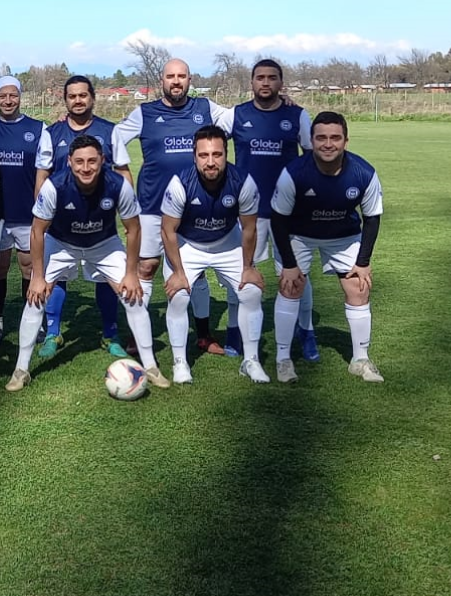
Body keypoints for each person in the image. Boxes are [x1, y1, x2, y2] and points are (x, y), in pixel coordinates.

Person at [10, 136, 164, 392]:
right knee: (35, 297)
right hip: (61, 244)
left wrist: (130, 273)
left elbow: (133, 229)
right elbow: (37, 232)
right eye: (79, 161)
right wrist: (37, 276)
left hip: (104, 244)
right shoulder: (54, 186)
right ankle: (21, 369)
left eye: (92, 161)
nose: (86, 167)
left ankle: (150, 366)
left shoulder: (118, 185)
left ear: (103, 161)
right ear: (69, 162)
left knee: (133, 296)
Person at [112, 59, 233, 354]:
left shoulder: (206, 109)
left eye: (182, 76)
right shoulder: (145, 113)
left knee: (197, 270)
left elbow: (241, 119)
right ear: (161, 80)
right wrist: (123, 175)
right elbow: (114, 136)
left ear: (190, 79)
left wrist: (279, 102)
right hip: (153, 207)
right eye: (170, 76)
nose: (176, 81)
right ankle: (137, 335)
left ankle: (203, 335)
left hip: (196, 206)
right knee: (147, 266)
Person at [270, 111, 385, 383]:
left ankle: (360, 359)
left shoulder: (364, 173)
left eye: (335, 138)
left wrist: (363, 261)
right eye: (321, 138)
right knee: (291, 287)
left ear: (346, 140)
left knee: (359, 287)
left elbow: (372, 218)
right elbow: (278, 220)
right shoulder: (293, 173)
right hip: (299, 234)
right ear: (311, 140)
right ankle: (283, 359)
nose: (328, 144)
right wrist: (288, 264)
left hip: (343, 235)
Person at [160, 126, 269, 384]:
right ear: (194, 156)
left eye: (217, 155)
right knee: (178, 296)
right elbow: (168, 230)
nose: (211, 162)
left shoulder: (243, 182)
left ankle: (250, 360)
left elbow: (250, 228)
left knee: (251, 291)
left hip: (227, 241)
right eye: (204, 155)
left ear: (226, 154)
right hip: (188, 244)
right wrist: (178, 272)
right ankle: (180, 362)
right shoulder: (179, 184)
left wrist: (249, 266)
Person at [222, 60, 314, 358]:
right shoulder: (236, 115)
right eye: (260, 77)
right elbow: (206, 140)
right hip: (248, 212)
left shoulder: (297, 115)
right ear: (251, 82)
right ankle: (235, 331)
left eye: (272, 78)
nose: (265, 83)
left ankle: (307, 331)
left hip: (289, 213)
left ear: (281, 83)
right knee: (241, 272)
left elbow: (313, 160)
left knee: (297, 274)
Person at [33, 75, 124, 359]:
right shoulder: (52, 133)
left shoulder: (110, 131)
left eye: (83, 95)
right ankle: (53, 333)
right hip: (60, 224)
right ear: (65, 100)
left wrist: (123, 203)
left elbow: (122, 172)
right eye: (72, 96)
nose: (78, 100)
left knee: (105, 277)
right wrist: (42, 210)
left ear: (92, 98)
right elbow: (42, 174)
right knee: (56, 277)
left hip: (100, 221)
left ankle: (110, 335)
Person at [0, 75, 43, 346]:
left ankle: (33, 319)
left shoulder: (38, 128)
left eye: (13, 95)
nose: (8, 100)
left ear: (20, 97)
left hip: (27, 213)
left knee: (29, 267)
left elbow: (45, 171)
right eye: (2, 95)